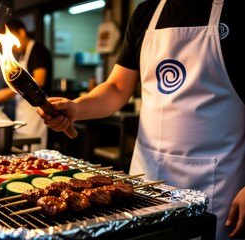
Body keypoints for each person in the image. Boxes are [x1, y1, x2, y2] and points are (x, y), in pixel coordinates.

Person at [37, 1, 245, 239]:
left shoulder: (235, 9)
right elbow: (116, 87)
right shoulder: (146, 13)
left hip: (217, 182)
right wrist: (77, 107)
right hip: (148, 175)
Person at [0, 18, 53, 152]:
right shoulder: (21, 55)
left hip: (38, 109)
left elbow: (39, 80)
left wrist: (8, 92)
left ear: (22, 32)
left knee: (36, 150)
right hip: (24, 111)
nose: (11, 45)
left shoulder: (37, 49)